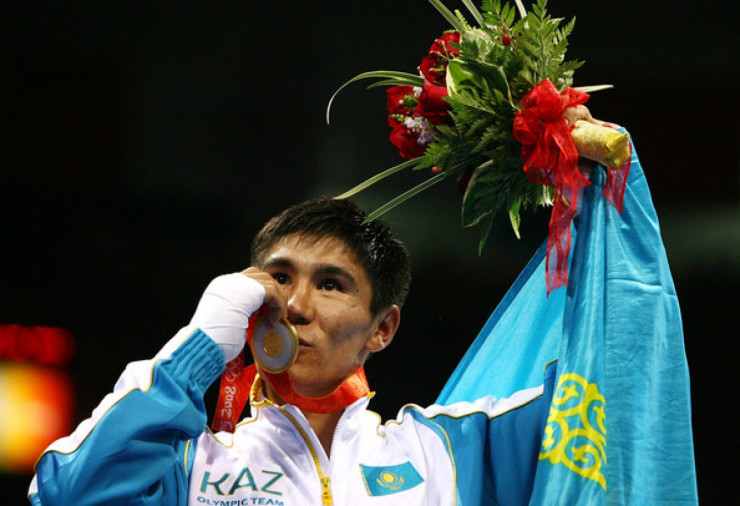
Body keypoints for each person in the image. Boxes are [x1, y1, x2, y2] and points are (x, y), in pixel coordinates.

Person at [28, 197, 555, 505]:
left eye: (330, 285)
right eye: (279, 278)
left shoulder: (452, 451)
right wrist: (195, 350)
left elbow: (598, 388)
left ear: (382, 329)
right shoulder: (190, 465)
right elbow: (68, 495)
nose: (295, 305)